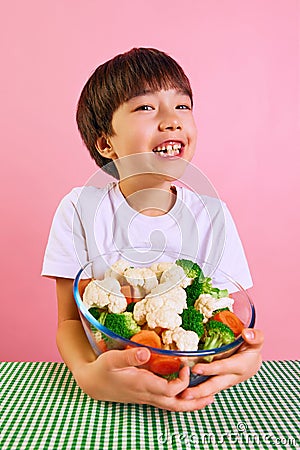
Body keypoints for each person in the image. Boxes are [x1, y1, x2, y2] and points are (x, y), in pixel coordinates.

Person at [42, 48, 263, 412]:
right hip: (110, 392)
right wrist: (88, 375)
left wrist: (244, 356)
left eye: (183, 106)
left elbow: (229, 313)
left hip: (195, 388)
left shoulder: (213, 214)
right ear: (105, 143)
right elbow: (69, 320)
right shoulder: (80, 209)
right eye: (146, 107)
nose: (172, 120)